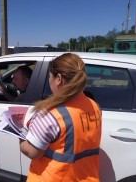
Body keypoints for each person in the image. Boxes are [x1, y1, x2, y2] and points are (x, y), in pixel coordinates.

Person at [20, 53, 102, 182]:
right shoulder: (94, 106)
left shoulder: (51, 115)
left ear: (58, 79)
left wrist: (21, 132)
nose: (49, 80)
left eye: (49, 76)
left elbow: (32, 152)